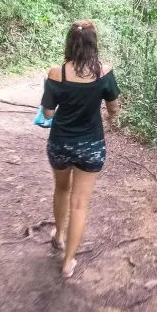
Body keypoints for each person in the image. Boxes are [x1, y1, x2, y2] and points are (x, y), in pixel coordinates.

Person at [40, 21, 121, 280]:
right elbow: (113, 110)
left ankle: (59, 235)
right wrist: (109, 120)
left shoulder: (56, 73)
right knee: (80, 203)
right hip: (91, 146)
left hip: (61, 143)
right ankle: (68, 262)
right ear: (93, 44)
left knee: (61, 188)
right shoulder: (105, 73)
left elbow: (48, 113)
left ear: (69, 43)